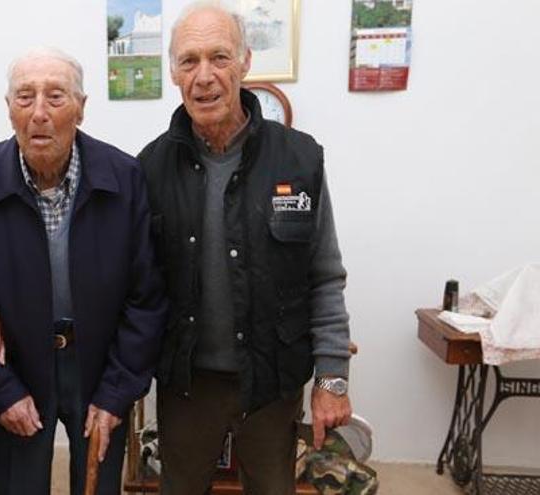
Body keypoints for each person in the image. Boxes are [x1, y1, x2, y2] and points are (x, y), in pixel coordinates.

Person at [137, 3, 353, 494]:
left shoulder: (299, 159)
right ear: (173, 72)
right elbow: (136, 286)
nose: (204, 76)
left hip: (272, 379)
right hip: (187, 384)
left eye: (219, 57)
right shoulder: (148, 168)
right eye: (189, 61)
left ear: (246, 62)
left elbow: (324, 274)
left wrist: (332, 377)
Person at [0, 48, 167, 495]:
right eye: (25, 98)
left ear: (82, 108)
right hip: (18, 365)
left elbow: (146, 296)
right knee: (19, 485)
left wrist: (116, 392)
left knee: (99, 484)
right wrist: (0, 389)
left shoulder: (124, 178)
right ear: (8, 109)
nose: (40, 113)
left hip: (99, 363)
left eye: (56, 96)